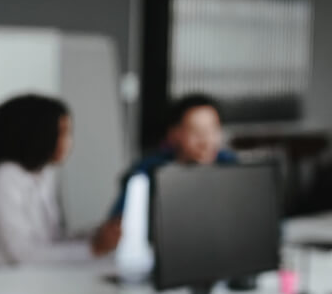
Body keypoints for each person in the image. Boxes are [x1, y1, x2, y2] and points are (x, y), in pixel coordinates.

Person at [92, 93, 236, 256]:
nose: (206, 141)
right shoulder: (147, 172)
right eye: (195, 131)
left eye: (212, 130)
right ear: (174, 134)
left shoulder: (230, 165)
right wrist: (110, 235)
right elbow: (111, 232)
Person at [0, 94, 116, 266]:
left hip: (38, 278)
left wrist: (94, 237)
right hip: (8, 282)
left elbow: (52, 241)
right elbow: (24, 255)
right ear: (38, 134)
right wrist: (92, 249)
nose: (68, 142)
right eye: (62, 133)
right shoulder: (5, 180)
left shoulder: (43, 175)